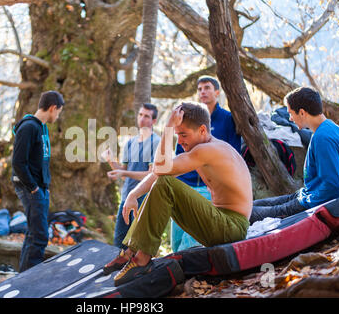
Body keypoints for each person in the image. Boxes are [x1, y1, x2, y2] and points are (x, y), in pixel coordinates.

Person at [104, 102, 252, 286]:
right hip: (223, 222)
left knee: (167, 185)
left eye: (183, 134)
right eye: (177, 135)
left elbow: (160, 168)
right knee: (165, 182)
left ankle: (140, 258)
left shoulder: (209, 150)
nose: (180, 141)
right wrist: (133, 194)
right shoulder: (202, 148)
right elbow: (162, 172)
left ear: (203, 130)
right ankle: (132, 252)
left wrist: (167, 128)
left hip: (231, 227)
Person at [250, 87, 339, 224]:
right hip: (308, 193)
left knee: (248, 213)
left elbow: (334, 185)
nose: (290, 118)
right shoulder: (329, 127)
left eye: (290, 113)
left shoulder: (323, 138)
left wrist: (305, 202)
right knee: (251, 205)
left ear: (302, 112)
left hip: (313, 201)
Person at [172, 75, 242, 252]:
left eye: (207, 87)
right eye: (200, 89)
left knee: (191, 243)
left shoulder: (227, 119)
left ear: (217, 92)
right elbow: (179, 153)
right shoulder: (187, 121)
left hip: (208, 188)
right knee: (176, 241)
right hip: (184, 184)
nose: (203, 91)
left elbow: (232, 153)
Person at [11, 90, 65, 272]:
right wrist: (34, 187)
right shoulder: (28, 127)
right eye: (58, 111)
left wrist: (45, 186)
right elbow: (18, 162)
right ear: (52, 108)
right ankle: (30, 279)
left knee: (35, 232)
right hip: (29, 186)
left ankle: (23, 276)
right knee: (40, 235)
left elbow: (42, 160)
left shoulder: (42, 128)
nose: (58, 115)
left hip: (40, 187)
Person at [102, 103, 161, 262]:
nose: (142, 119)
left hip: (144, 199)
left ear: (154, 121)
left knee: (136, 246)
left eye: (147, 116)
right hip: (126, 198)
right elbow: (123, 173)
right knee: (119, 243)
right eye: (140, 115)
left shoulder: (156, 142)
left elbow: (151, 174)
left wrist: (124, 172)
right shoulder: (130, 142)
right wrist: (111, 161)